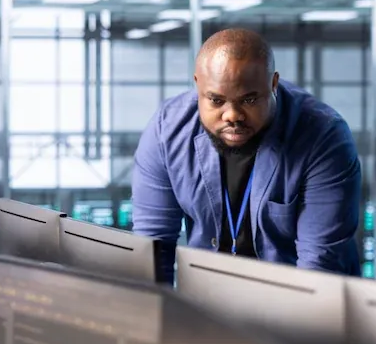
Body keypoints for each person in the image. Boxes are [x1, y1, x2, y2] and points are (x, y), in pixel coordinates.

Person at [132, 28, 362, 284]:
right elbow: (152, 249)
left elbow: (320, 267)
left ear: (273, 84)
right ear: (198, 85)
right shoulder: (167, 130)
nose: (232, 115)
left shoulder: (323, 136)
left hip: (292, 301)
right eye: (216, 101)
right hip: (205, 298)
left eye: (249, 100)